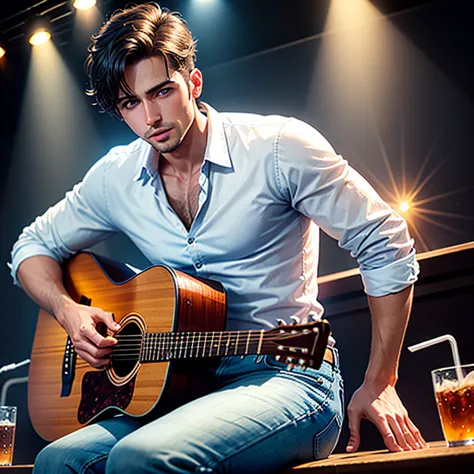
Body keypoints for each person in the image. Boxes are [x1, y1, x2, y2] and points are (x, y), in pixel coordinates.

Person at [10, 3, 428, 473]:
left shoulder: (278, 148)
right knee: (56, 462)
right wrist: (69, 312)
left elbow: (385, 240)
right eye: (131, 104)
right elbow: (31, 248)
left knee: (139, 459)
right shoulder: (115, 178)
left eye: (162, 91)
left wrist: (380, 379)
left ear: (194, 82)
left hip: (292, 376)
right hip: (185, 386)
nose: (151, 117)